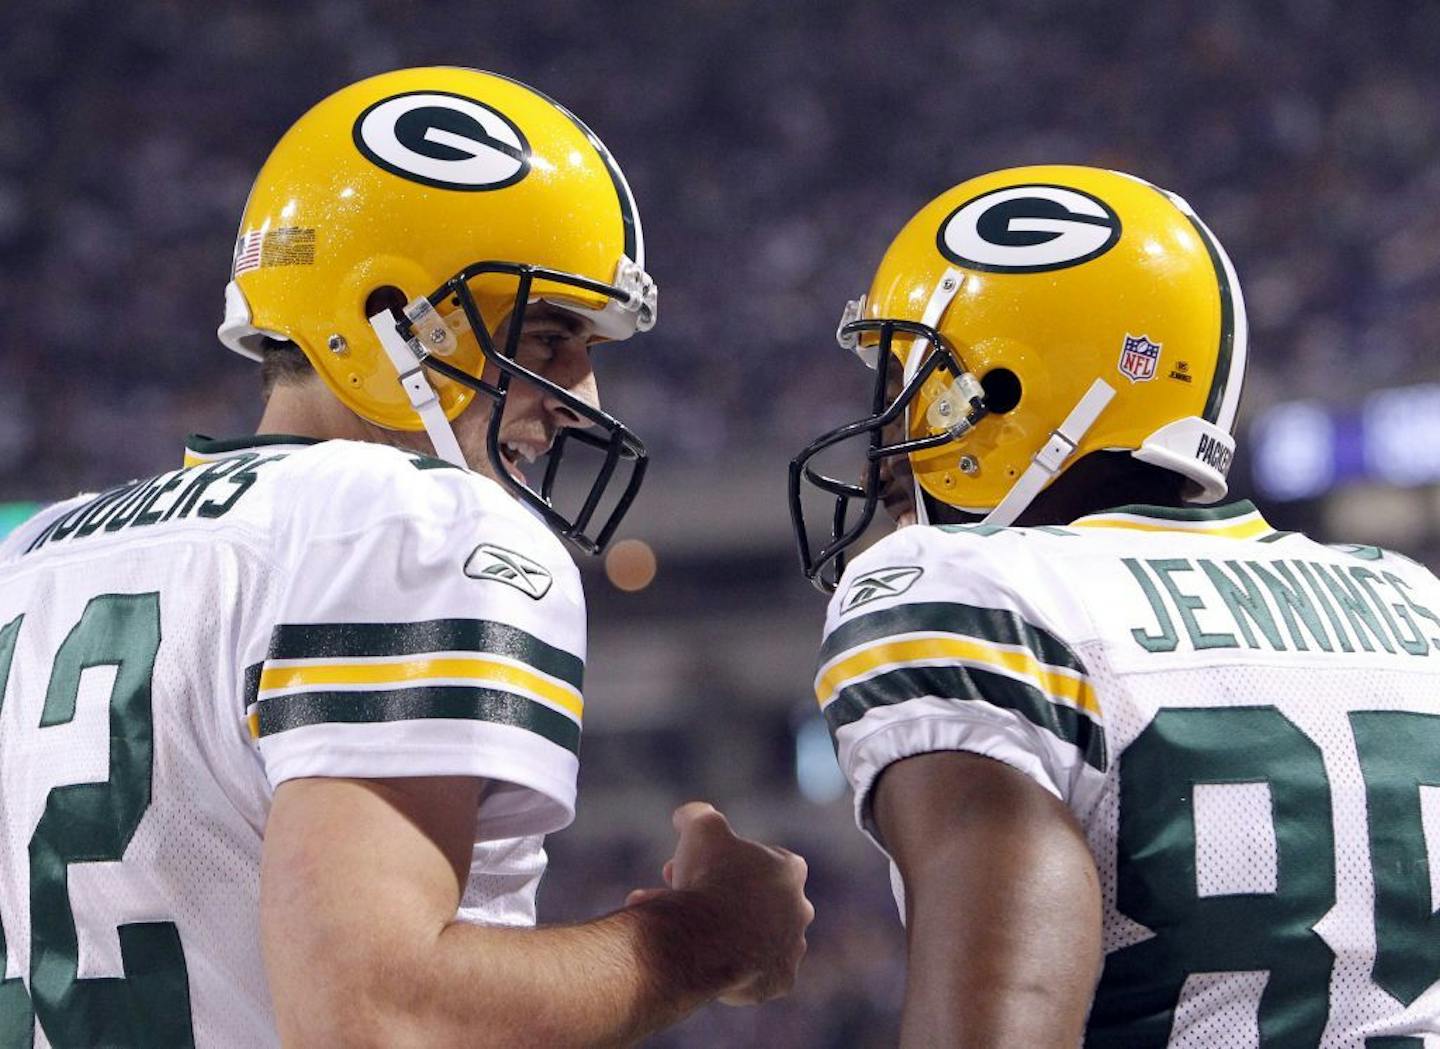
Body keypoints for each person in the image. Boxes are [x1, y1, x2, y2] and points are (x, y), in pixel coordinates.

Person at [0, 67, 810, 1048]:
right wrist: (703, 938)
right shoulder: (407, 522)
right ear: (390, 315)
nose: (580, 391)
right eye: (551, 334)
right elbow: (379, 1013)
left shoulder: (36, 551)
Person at [790, 164, 1440, 1046]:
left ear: (1016, 387)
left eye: (922, 388)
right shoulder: (1408, 598)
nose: (887, 452)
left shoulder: (978, 591)